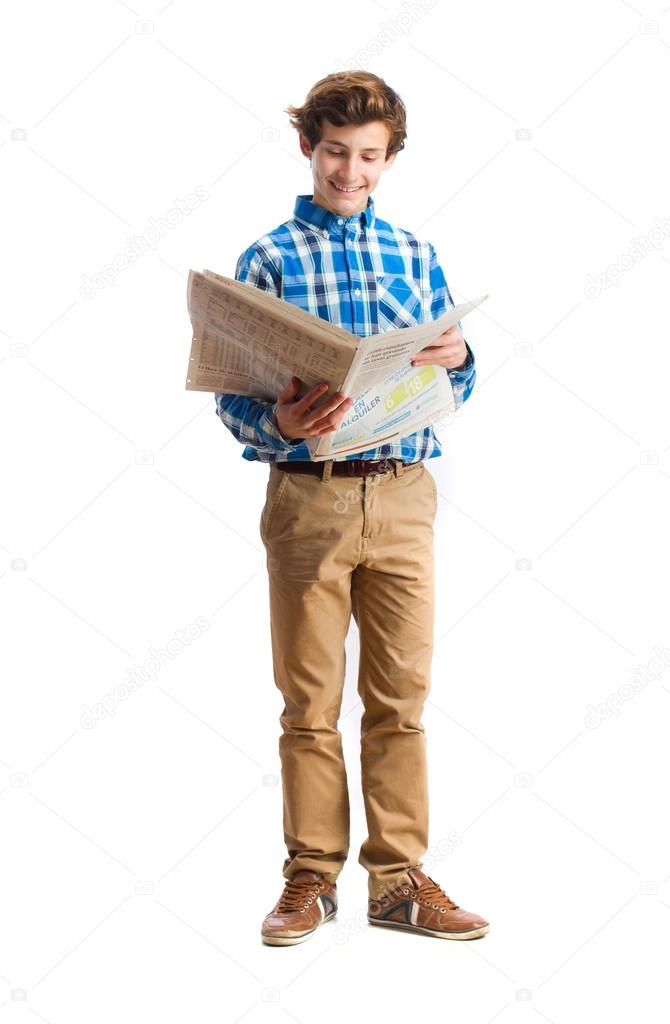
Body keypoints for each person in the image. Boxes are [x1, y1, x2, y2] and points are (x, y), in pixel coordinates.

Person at [215, 70, 489, 945]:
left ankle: (398, 881)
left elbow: (460, 377)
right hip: (310, 499)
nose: (349, 171)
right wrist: (277, 420)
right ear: (308, 146)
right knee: (307, 702)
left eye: (368, 156)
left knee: (401, 698)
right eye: (335, 151)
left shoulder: (416, 254)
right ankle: (309, 878)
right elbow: (233, 394)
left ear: (390, 158)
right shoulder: (268, 258)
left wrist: (458, 358)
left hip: (406, 494)